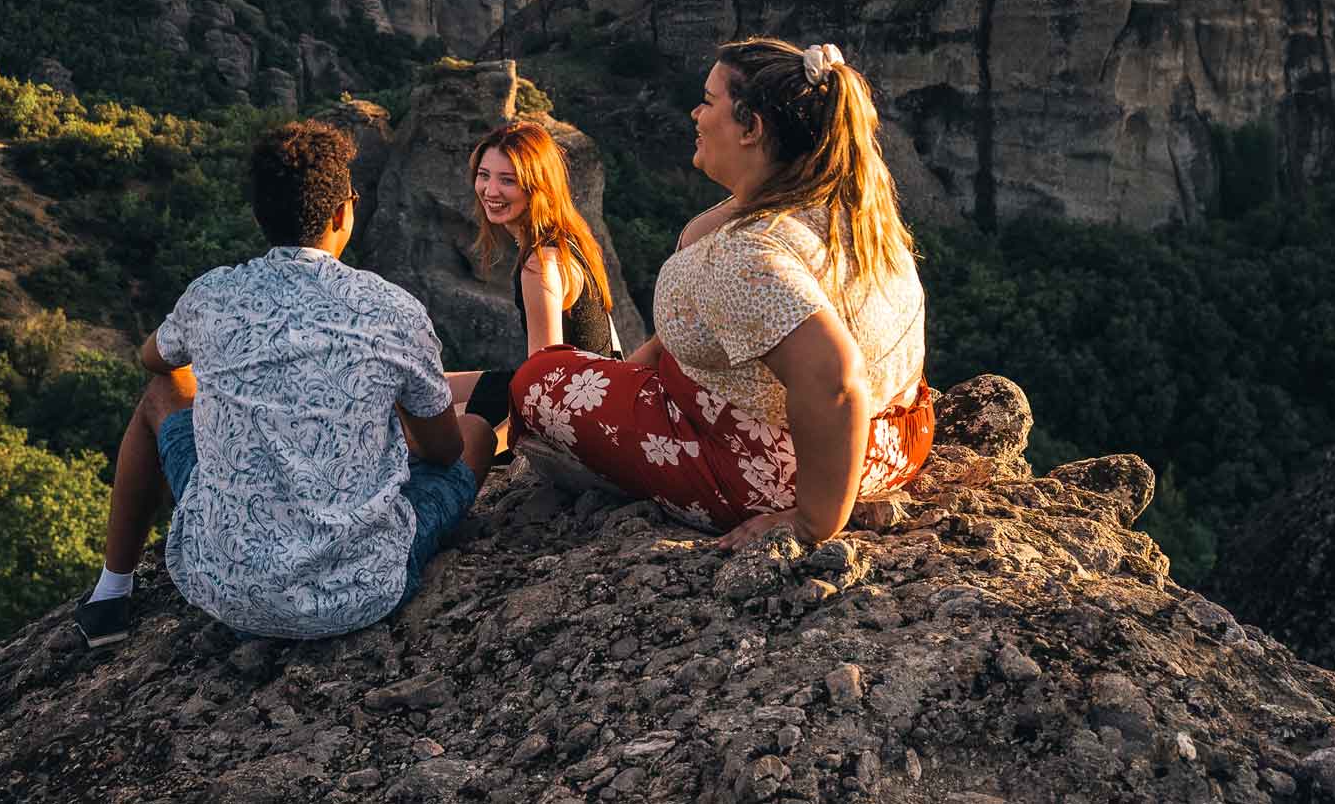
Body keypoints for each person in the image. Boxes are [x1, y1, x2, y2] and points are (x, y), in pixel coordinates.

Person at [74, 120, 496, 646]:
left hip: (222, 583)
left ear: (258, 216)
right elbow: (442, 448)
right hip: (356, 597)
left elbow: (152, 359)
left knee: (160, 394)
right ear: (345, 211)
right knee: (476, 430)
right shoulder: (393, 311)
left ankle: (111, 595)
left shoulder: (212, 296)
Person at [510, 37, 932, 550]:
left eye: (708, 101)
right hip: (891, 445)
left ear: (751, 128)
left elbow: (833, 377)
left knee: (536, 378)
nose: (694, 112)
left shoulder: (747, 256)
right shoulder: (853, 210)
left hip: (781, 472)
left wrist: (814, 522)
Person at [450, 120, 621, 430]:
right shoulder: (570, 239)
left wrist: (502, 441)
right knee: (424, 389)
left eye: (508, 180)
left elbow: (544, 383)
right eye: (484, 176)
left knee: (422, 417)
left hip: (577, 415)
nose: (490, 191)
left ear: (537, 186)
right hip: (584, 395)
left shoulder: (541, 264)